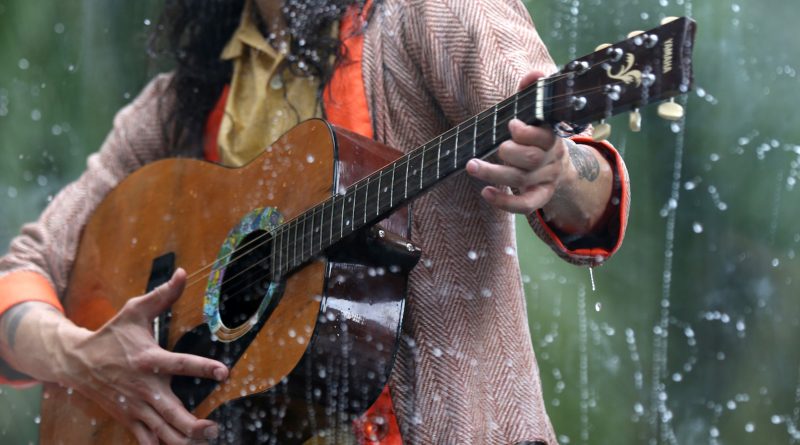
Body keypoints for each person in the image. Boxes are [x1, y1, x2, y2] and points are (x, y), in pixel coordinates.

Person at [0, 0, 629, 444]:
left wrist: (563, 169)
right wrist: (83, 357)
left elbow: (579, 189)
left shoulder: (434, 13)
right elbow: (20, 279)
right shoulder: (181, 105)